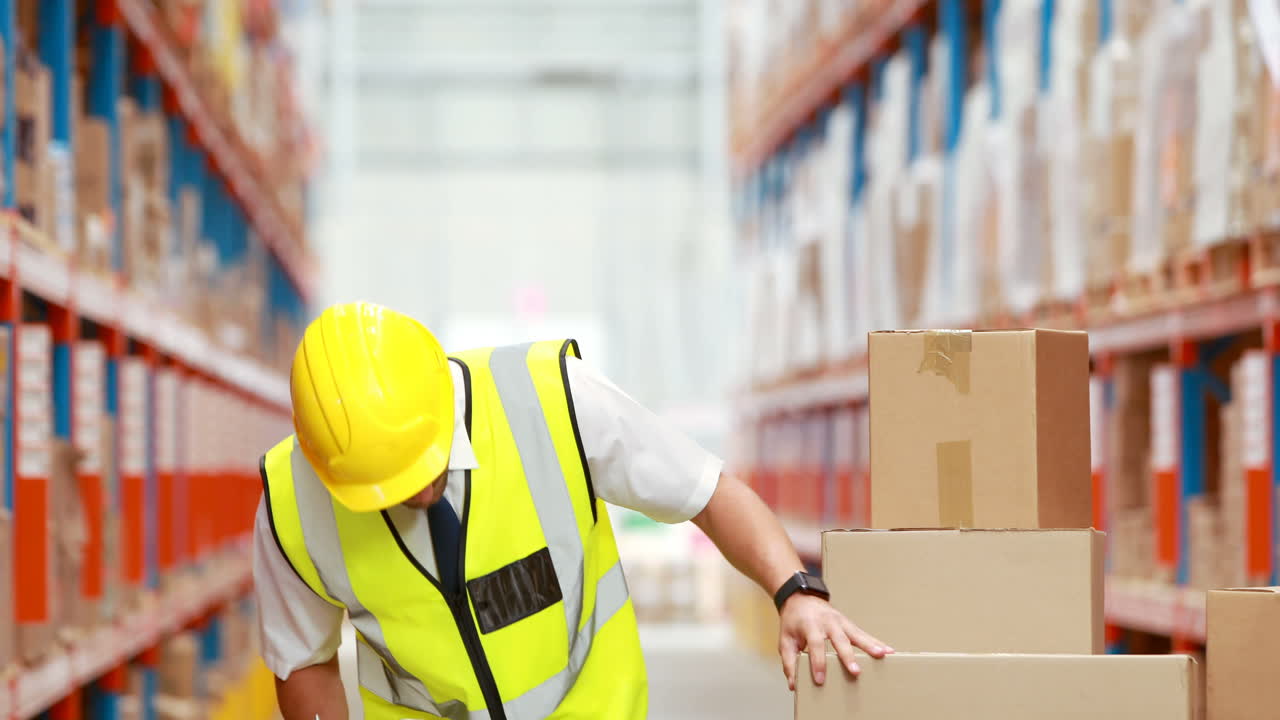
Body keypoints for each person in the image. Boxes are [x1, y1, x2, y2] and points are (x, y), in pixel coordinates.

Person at [254, 301, 890, 720]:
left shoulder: (551, 399)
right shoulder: (290, 502)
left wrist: (795, 590)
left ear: (441, 394)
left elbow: (707, 492)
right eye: (387, 491)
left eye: (425, 466)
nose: (417, 495)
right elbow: (302, 663)